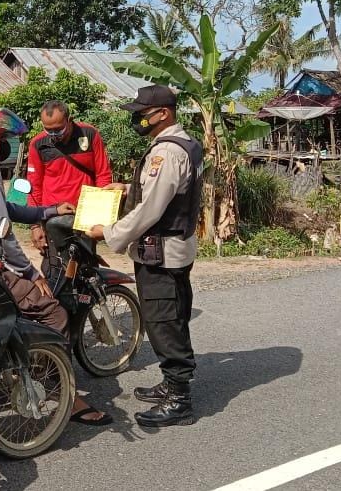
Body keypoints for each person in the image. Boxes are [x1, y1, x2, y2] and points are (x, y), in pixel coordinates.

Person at [0, 108, 111, 427]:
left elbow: (5, 208)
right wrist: (31, 273)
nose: (5, 145)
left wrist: (47, 212)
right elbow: (4, 234)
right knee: (54, 312)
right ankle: (62, 390)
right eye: (1, 139)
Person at [88, 85, 203, 428]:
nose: (138, 119)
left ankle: (179, 400)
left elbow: (151, 208)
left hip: (161, 253)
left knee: (164, 322)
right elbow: (167, 191)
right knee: (172, 316)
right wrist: (126, 189)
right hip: (175, 248)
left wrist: (109, 232)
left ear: (163, 113)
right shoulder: (186, 143)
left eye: (142, 114)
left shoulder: (166, 152)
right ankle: (171, 383)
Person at [27, 100, 115, 251]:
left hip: (85, 216)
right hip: (53, 215)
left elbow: (103, 174)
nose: (54, 135)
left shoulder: (89, 134)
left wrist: (100, 215)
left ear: (69, 120)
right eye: (48, 130)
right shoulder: (37, 144)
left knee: (86, 261)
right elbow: (34, 186)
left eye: (58, 130)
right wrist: (35, 226)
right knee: (56, 262)